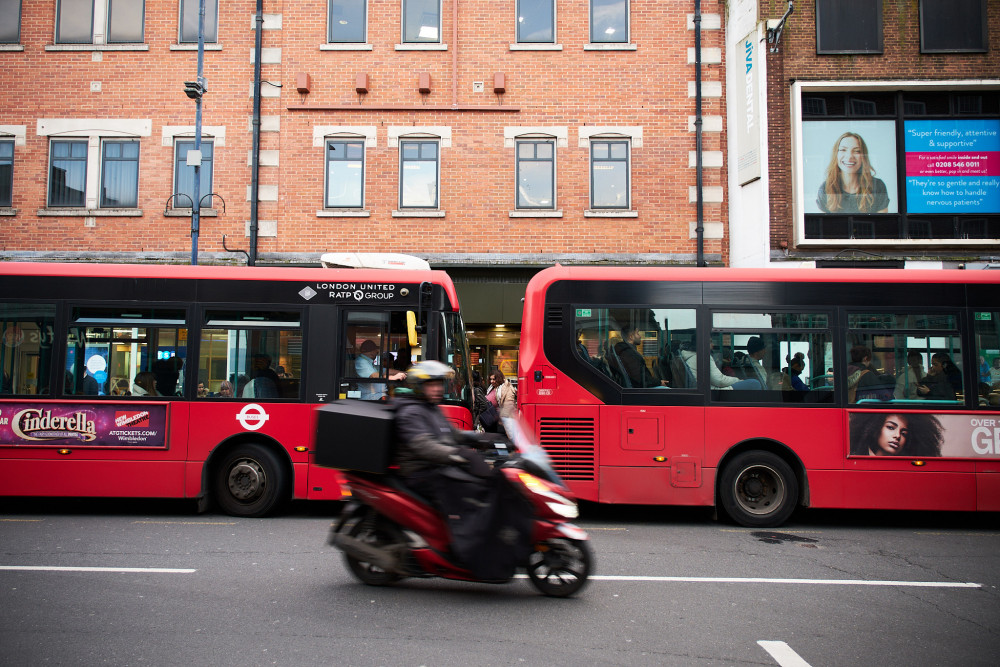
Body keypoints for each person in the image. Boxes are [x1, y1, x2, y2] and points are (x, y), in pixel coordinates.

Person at [393, 361, 529, 579]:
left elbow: (452, 435)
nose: (437, 389)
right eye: (431, 385)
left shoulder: (430, 408)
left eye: (439, 384)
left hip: (435, 466)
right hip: (422, 472)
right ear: (419, 386)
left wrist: (486, 440)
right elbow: (424, 445)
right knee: (470, 491)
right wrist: (454, 455)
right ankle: (463, 546)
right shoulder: (411, 412)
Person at [816, 132, 889, 214]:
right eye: (843, 150)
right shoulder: (825, 188)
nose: (849, 156)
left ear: (863, 157)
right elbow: (822, 225)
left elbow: (882, 224)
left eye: (857, 151)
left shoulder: (877, 186)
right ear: (836, 155)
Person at [849, 412, 943, 457]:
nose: (897, 436)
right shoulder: (856, 456)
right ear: (875, 427)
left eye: (904, 434)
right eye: (890, 427)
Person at [679, 341, 761, 390]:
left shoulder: (692, 356)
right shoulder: (702, 356)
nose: (713, 345)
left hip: (706, 389)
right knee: (754, 383)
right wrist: (738, 380)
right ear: (702, 342)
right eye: (710, 341)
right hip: (712, 391)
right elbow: (719, 380)